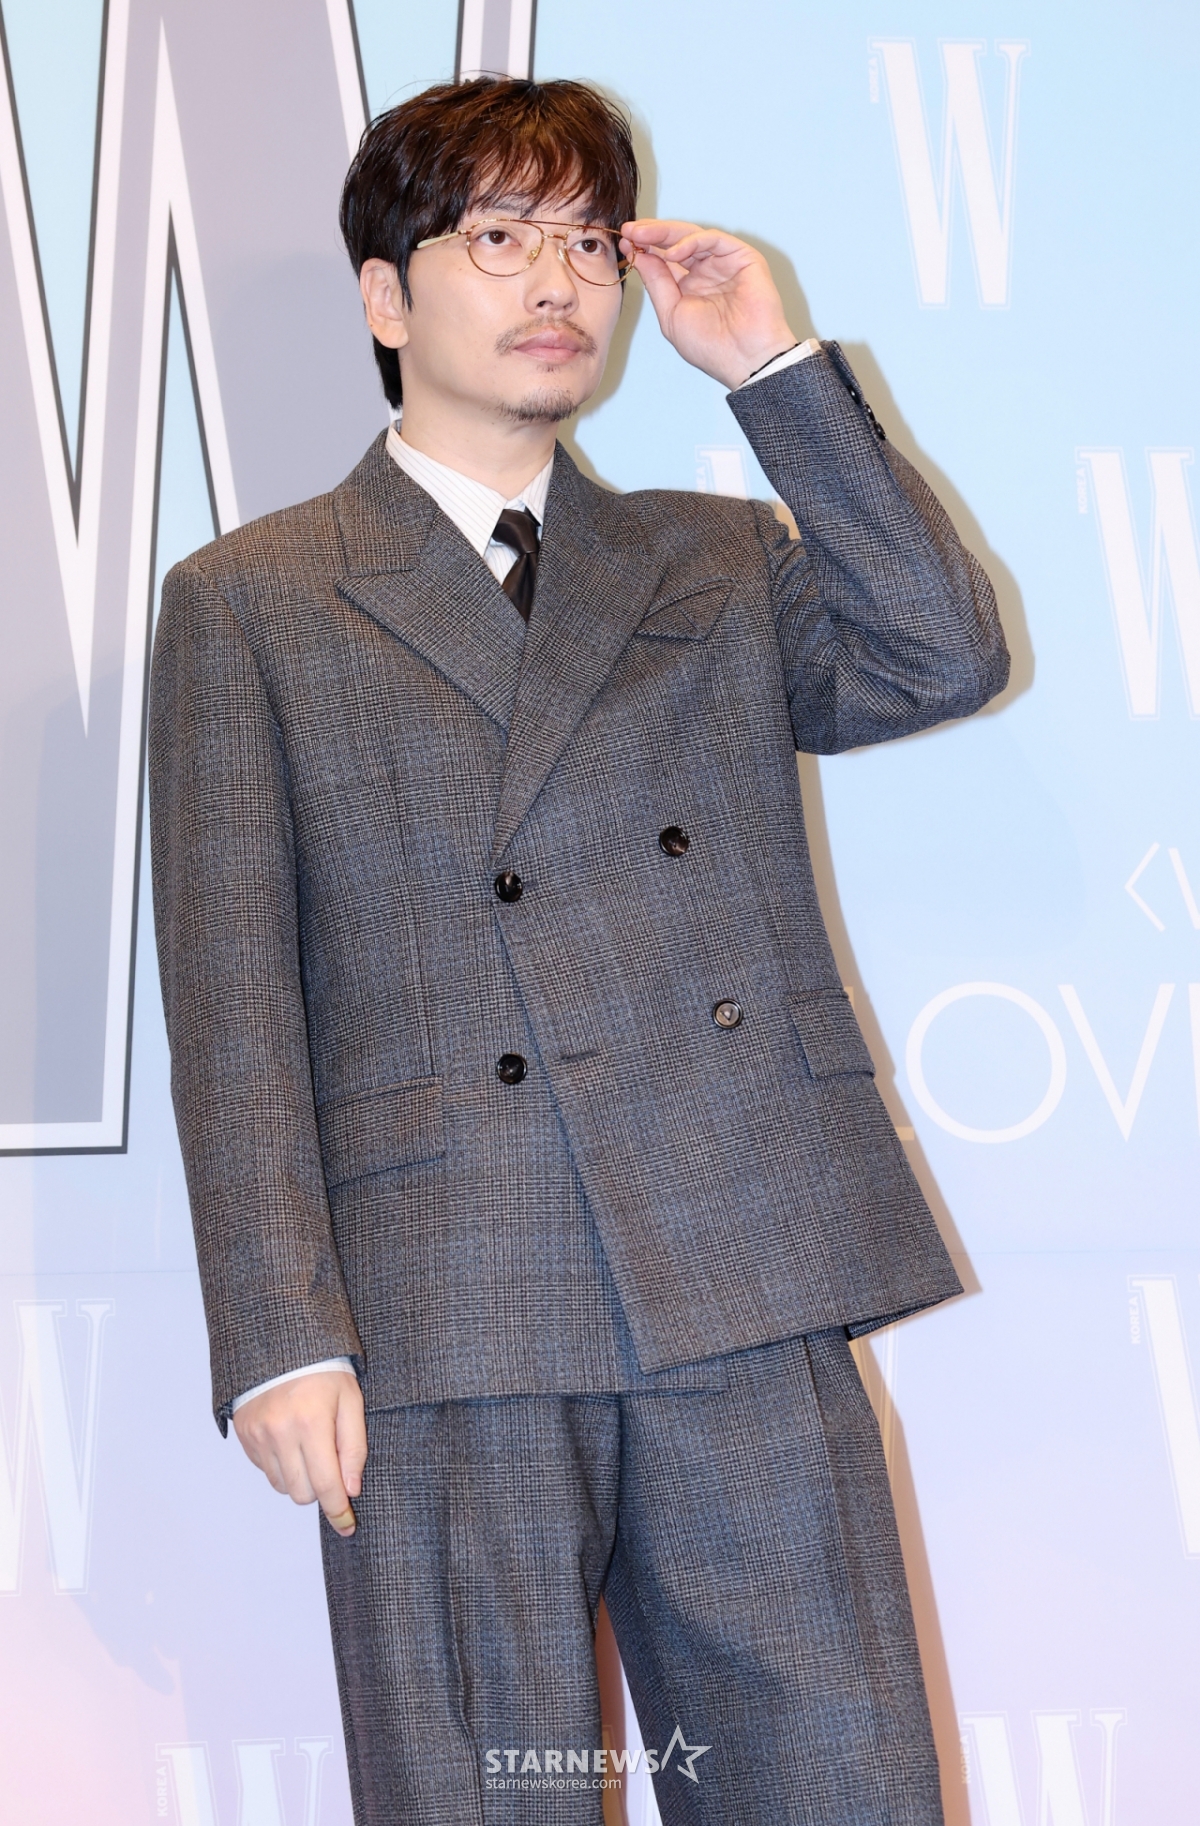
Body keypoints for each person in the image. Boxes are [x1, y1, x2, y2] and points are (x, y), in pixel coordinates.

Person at [149, 76, 1007, 1826]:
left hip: (741, 1284)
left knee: (834, 1787)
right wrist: (277, 1329)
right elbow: (231, 998)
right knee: (487, 1799)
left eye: (582, 241)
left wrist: (768, 371)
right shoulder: (255, 596)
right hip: (441, 1307)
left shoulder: (714, 557)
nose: (556, 280)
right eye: (497, 237)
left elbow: (938, 655)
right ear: (388, 299)